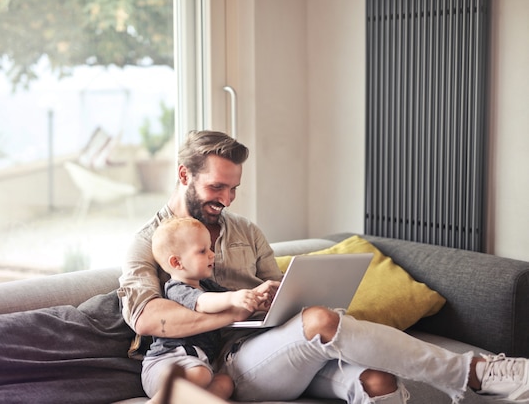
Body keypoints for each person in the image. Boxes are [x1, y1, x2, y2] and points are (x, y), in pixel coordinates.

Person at [119, 130, 529, 404]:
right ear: (183, 175)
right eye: (215, 188)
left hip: (271, 348)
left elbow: (276, 286)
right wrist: (237, 307)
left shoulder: (245, 230)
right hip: (223, 363)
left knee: (377, 381)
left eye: (233, 189)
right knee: (319, 320)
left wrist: (277, 295)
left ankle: (475, 372)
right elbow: (148, 318)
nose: (226, 200)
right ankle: (474, 372)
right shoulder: (147, 241)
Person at [141, 216, 272, 402]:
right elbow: (203, 303)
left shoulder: (207, 286)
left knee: (225, 382)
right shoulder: (176, 288)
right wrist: (234, 297)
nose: (212, 254)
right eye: (202, 251)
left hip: (198, 365)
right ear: (177, 263)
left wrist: (259, 296)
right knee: (201, 374)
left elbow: (236, 307)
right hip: (165, 365)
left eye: (210, 248)